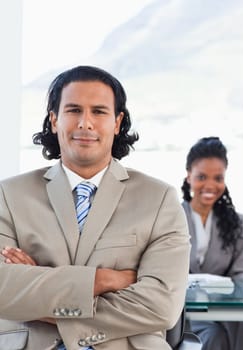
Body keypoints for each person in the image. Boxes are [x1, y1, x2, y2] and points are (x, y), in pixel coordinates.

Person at [0, 65, 190, 349]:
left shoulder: (159, 199)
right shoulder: (9, 194)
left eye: (99, 112)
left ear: (117, 121)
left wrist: (38, 289)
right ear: (54, 120)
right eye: (73, 110)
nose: (85, 123)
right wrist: (105, 280)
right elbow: (3, 290)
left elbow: (160, 306)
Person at [181, 136, 243, 350]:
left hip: (223, 309)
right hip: (183, 313)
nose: (210, 185)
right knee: (214, 335)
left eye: (218, 178)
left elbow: (242, 273)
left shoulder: (235, 222)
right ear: (189, 176)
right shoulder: (171, 217)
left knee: (242, 324)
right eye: (202, 177)